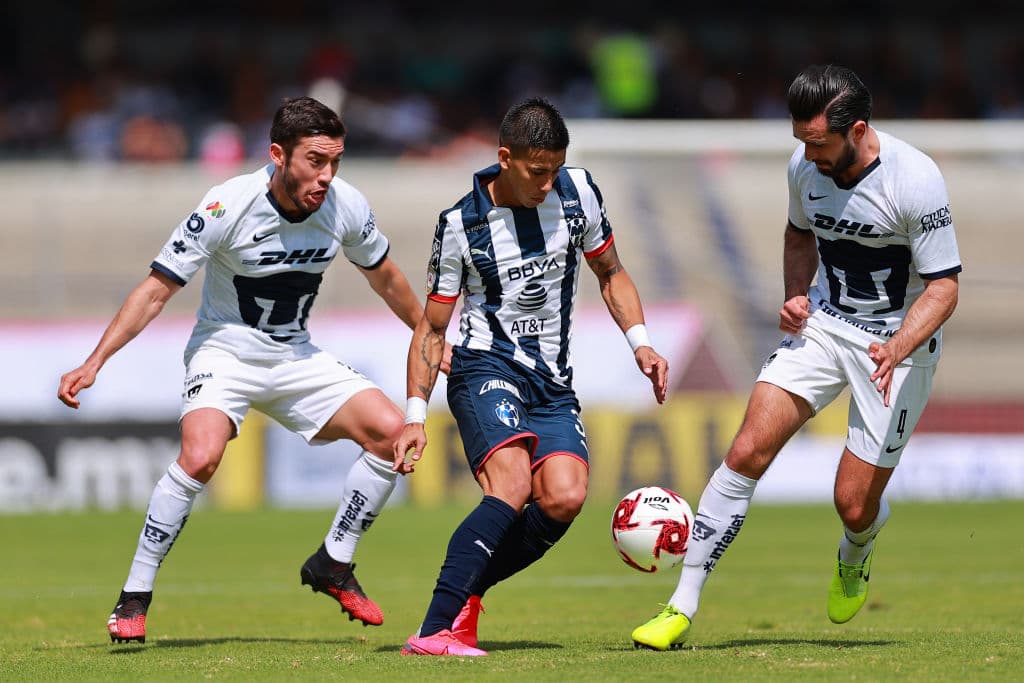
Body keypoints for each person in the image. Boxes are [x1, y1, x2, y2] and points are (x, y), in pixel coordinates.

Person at [57, 96, 438, 644]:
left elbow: (387, 279)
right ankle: (134, 594)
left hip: (295, 355)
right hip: (225, 352)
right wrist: (94, 362)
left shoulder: (347, 206)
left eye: (335, 161)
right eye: (315, 161)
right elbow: (156, 291)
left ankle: (333, 560)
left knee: (390, 432)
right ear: (278, 155)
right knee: (201, 456)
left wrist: (429, 334)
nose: (326, 176)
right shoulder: (226, 205)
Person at [631, 64, 962, 650]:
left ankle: (857, 547)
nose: (808, 155)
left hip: (897, 344)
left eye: (818, 143)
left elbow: (943, 288)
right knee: (745, 450)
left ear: (857, 130)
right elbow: (798, 233)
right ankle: (680, 607)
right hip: (826, 326)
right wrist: (794, 293)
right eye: (801, 141)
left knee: (852, 504)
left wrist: (897, 347)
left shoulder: (915, 179)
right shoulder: (804, 166)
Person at [394, 97, 669, 657]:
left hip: (552, 383)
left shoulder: (578, 192)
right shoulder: (461, 225)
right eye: (537, 172)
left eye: (555, 170)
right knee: (512, 486)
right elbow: (432, 328)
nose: (548, 183)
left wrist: (641, 343)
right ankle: (432, 631)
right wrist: (415, 415)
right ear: (505, 159)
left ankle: (468, 594)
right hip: (484, 367)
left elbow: (611, 272)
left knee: (565, 497)